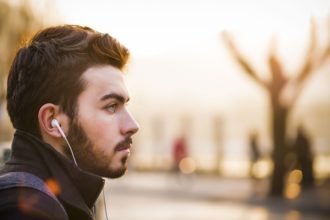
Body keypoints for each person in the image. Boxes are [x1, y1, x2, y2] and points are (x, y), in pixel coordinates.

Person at [0, 25, 139, 220]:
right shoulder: (27, 209)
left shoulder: (52, 201)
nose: (133, 125)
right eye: (111, 106)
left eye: (125, 105)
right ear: (52, 121)